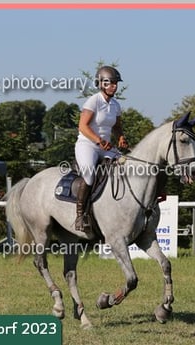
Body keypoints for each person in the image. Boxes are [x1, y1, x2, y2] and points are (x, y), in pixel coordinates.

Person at [75, 65, 129, 231]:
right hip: (87, 145)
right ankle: (80, 215)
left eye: (115, 83)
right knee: (89, 175)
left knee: (125, 165)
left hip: (105, 147)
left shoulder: (115, 105)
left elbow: (117, 127)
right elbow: (82, 126)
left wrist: (121, 137)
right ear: (101, 84)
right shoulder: (93, 101)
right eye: (110, 83)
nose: (114, 86)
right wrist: (98, 141)